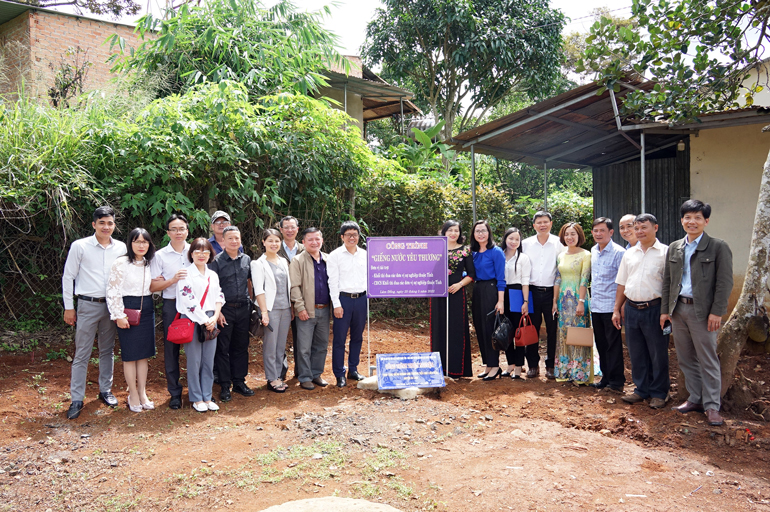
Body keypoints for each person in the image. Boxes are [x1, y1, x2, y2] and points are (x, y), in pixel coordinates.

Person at [661, 200, 733, 426]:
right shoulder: (675, 247)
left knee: (707, 359)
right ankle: (695, 398)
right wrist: (665, 311)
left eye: (697, 218)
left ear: (706, 221)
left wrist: (717, 312)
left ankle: (712, 406)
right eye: (687, 217)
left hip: (703, 312)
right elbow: (668, 282)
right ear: (682, 220)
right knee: (685, 357)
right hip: (678, 309)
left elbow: (725, 283)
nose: (692, 222)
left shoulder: (718, 247)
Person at [62, 206, 127, 420]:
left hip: (111, 306)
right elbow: (68, 276)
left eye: (110, 223)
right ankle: (77, 398)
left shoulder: (121, 248)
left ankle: (105, 390)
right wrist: (69, 307)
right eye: (102, 223)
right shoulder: (80, 246)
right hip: (87, 305)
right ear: (94, 224)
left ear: (114, 225)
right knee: (82, 352)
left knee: (107, 350)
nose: (106, 227)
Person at [613, 214, 670, 409]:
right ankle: (641, 389)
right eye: (636, 228)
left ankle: (659, 392)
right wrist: (616, 310)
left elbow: (670, 285)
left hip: (655, 309)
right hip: (631, 309)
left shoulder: (666, 253)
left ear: (656, 227)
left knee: (657, 352)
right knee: (636, 352)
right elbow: (622, 283)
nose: (639, 232)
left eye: (643, 227)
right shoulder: (629, 253)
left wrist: (667, 311)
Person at [107, 228, 156, 412]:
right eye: (137, 241)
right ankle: (133, 394)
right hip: (127, 309)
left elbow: (155, 287)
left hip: (147, 308)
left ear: (149, 244)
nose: (141, 245)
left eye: (145, 242)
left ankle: (143, 392)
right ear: (130, 243)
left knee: (143, 354)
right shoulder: (121, 263)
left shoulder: (150, 263)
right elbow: (113, 290)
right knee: (130, 355)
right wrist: (118, 315)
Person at [177, 238, 224, 412]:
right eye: (197, 251)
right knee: (194, 360)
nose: (201, 254)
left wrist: (215, 317)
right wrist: (205, 320)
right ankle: (196, 398)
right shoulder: (185, 274)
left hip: (211, 319)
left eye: (205, 251)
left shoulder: (213, 275)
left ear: (210, 254)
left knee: (208, 360)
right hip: (192, 319)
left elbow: (219, 296)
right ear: (191, 254)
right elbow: (188, 301)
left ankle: (207, 395)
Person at [149, 214, 190, 409]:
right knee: (171, 349)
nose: (178, 232)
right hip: (171, 305)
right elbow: (153, 286)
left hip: (193, 306)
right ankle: (175, 393)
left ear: (187, 231)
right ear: (168, 233)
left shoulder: (196, 251)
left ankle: (196, 391)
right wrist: (172, 280)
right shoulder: (160, 256)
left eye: (181, 228)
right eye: (174, 229)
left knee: (195, 349)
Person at [209, 226, 253, 402]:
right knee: (223, 348)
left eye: (237, 238)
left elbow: (249, 283)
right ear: (223, 241)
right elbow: (212, 288)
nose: (234, 241)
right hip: (225, 310)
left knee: (241, 346)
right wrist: (217, 312)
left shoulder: (247, 259)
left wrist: (252, 304)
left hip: (244, 308)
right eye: (230, 239)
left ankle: (239, 382)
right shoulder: (216, 261)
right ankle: (225, 384)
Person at [522, 211, 565, 379]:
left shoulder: (559, 243)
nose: (542, 225)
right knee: (531, 329)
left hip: (552, 293)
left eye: (545, 222)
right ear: (534, 226)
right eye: (539, 222)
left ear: (551, 223)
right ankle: (532, 365)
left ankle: (551, 365)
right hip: (531, 292)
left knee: (553, 329)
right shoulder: (525, 244)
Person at [430, 220, 476, 378]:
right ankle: (438, 369)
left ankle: (456, 370)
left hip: (457, 294)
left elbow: (472, 274)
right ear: (443, 232)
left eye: (456, 230)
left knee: (456, 329)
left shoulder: (465, 251)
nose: (453, 233)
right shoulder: (435, 250)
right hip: (438, 294)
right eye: (450, 230)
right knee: (439, 328)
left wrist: (459, 285)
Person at [289, 227, 331, 390]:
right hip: (306, 311)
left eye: (317, 239)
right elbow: (294, 286)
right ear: (303, 242)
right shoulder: (297, 260)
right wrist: (300, 308)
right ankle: (305, 376)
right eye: (310, 239)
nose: (314, 242)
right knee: (304, 347)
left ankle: (316, 374)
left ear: (322, 240)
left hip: (325, 309)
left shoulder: (328, 259)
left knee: (321, 345)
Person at [251, 229, 293, 393]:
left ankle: (278, 376)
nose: (274, 244)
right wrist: (264, 312)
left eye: (277, 240)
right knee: (270, 345)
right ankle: (272, 378)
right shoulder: (258, 264)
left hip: (286, 308)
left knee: (280, 345)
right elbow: (259, 290)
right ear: (263, 242)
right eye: (270, 241)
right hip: (270, 309)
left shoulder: (283, 261)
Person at [327, 221, 368, 387]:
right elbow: (333, 282)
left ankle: (353, 369)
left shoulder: (365, 254)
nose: (352, 238)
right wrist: (336, 304)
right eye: (348, 235)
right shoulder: (334, 256)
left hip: (361, 300)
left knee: (357, 337)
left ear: (359, 236)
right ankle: (339, 374)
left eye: (355, 235)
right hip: (343, 300)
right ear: (342, 237)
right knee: (339, 339)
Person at [552, 223, 593, 384]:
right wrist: (554, 301)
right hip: (563, 301)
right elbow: (557, 278)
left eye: (573, 234)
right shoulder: (561, 255)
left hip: (578, 299)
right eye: (567, 234)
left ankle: (580, 374)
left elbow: (585, 279)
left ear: (579, 236)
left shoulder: (586, 255)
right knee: (564, 335)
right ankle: (565, 370)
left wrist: (581, 302)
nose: (570, 237)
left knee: (579, 334)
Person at [590, 218, 626, 393]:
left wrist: (617, 308)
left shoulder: (619, 252)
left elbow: (622, 282)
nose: (598, 234)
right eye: (595, 231)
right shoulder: (593, 251)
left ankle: (617, 381)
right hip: (596, 306)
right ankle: (605, 377)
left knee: (613, 345)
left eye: (602, 230)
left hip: (611, 308)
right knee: (601, 344)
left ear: (611, 232)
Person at [470, 220, 506, 381]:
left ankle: (495, 365)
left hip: (491, 290)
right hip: (477, 290)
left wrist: (501, 301)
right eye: (477, 231)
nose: (480, 234)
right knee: (479, 327)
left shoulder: (496, 251)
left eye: (483, 231)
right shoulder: (473, 252)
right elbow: (470, 274)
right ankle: (488, 364)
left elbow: (501, 278)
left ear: (489, 232)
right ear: (473, 234)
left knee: (490, 329)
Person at [501, 227, 531, 379]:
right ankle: (510, 363)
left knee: (519, 332)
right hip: (502, 294)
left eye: (517, 239)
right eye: (511, 238)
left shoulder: (523, 258)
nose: (513, 242)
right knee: (506, 332)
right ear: (505, 239)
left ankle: (519, 365)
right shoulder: (499, 255)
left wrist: (525, 301)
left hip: (517, 294)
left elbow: (525, 281)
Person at [277, 216, 304, 380]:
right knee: (279, 340)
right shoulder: (273, 246)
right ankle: (279, 372)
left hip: (301, 301)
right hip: (280, 302)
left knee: (301, 339)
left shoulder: (305, 248)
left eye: (292, 227)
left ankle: (301, 372)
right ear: (280, 229)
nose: (289, 230)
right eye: (285, 227)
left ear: (297, 229)